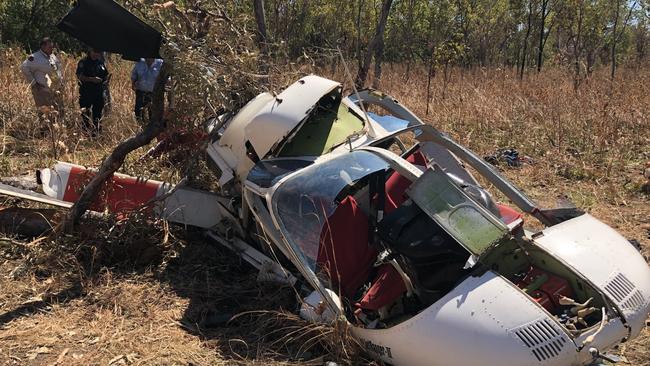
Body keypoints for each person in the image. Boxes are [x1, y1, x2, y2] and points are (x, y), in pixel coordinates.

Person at [20, 37, 65, 129]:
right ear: (42, 47)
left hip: (56, 90)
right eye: (49, 47)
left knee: (58, 111)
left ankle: (57, 132)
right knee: (45, 113)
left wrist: (61, 82)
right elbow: (24, 67)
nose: (51, 49)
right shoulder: (34, 57)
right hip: (42, 90)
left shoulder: (52, 56)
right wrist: (34, 83)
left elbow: (57, 70)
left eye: (52, 47)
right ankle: (45, 134)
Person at [76, 48, 109, 135]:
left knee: (97, 114)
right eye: (94, 51)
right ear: (90, 51)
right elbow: (79, 76)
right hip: (86, 92)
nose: (96, 54)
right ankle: (85, 133)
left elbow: (105, 74)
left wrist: (106, 81)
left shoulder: (100, 62)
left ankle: (96, 134)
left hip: (98, 93)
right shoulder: (84, 62)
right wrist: (91, 79)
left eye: (98, 52)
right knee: (85, 114)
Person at [131, 58, 163, 123]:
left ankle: (152, 129)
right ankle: (140, 127)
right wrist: (133, 83)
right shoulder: (139, 62)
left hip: (155, 94)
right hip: (141, 92)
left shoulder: (160, 63)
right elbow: (134, 75)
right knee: (138, 112)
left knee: (153, 114)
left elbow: (166, 77)